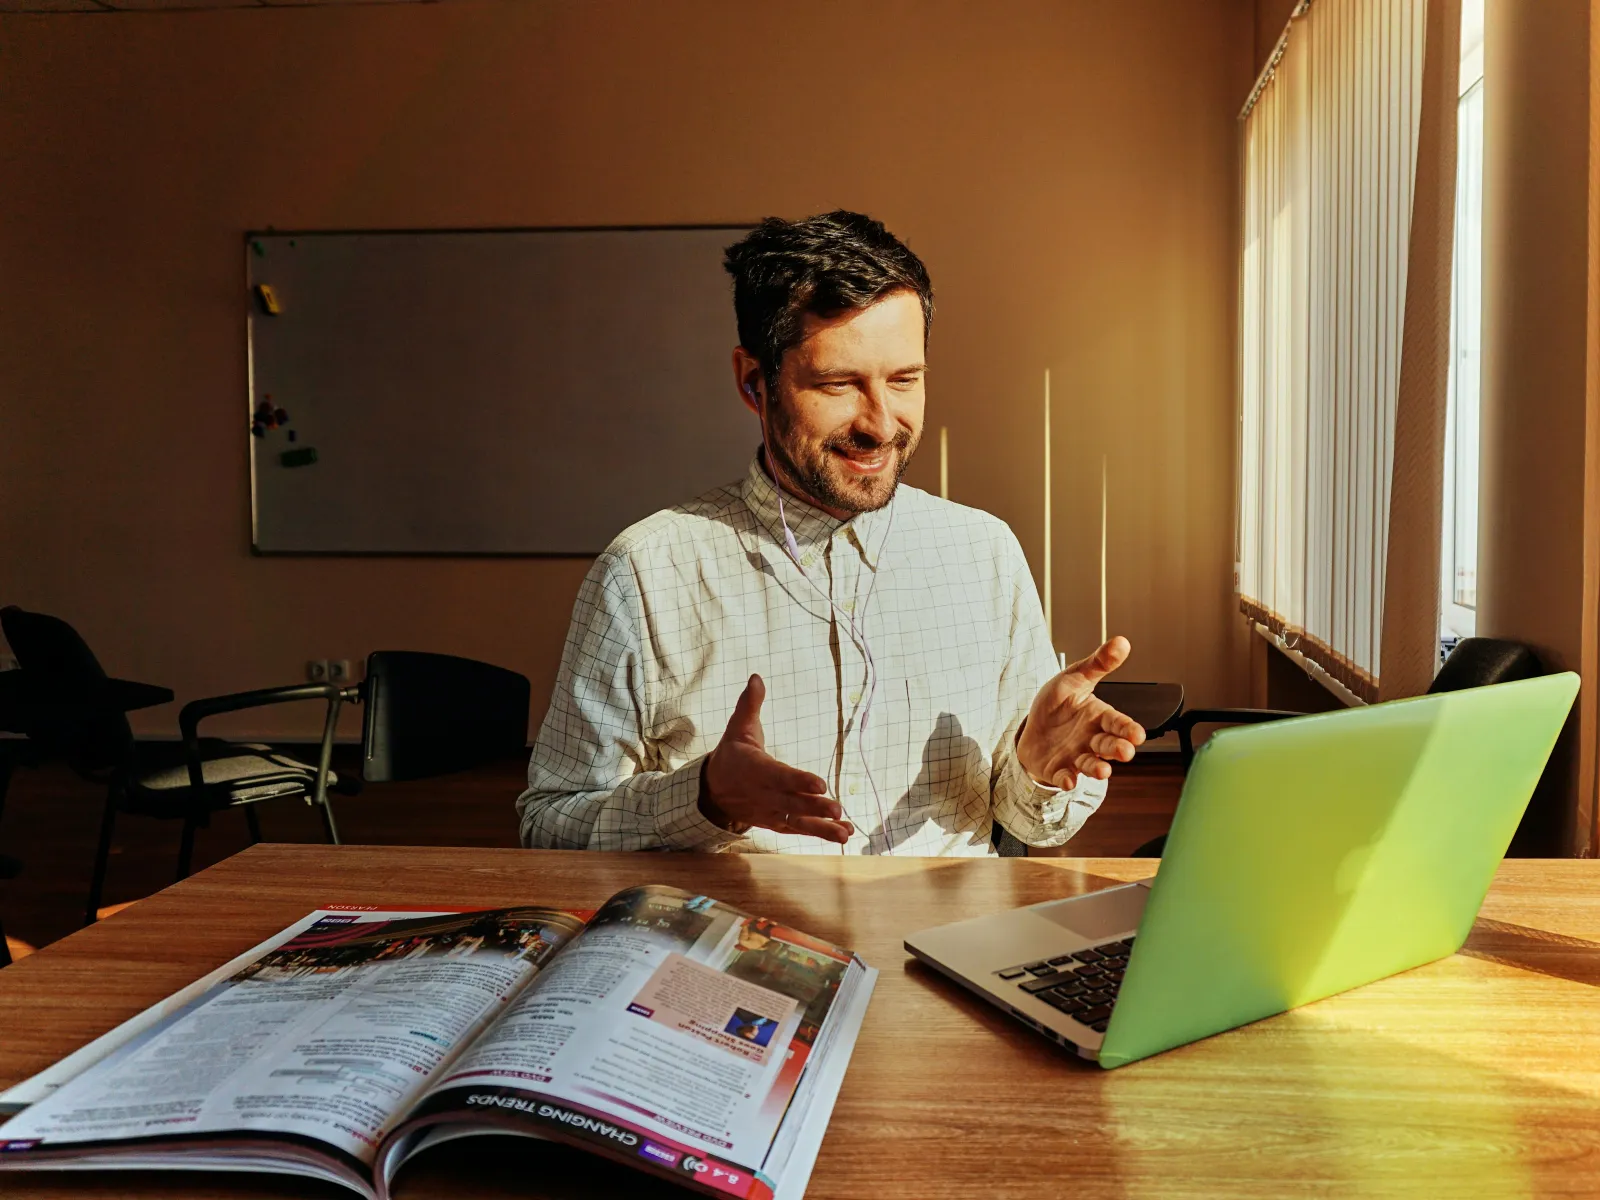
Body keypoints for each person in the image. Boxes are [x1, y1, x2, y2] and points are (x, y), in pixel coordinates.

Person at [518, 211, 1144, 855]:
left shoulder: (985, 554)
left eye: (905, 379)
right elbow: (548, 824)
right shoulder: (646, 573)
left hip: (944, 943)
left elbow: (1029, 823)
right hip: (736, 945)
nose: (880, 423)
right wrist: (704, 800)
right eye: (838, 383)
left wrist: (1036, 772)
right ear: (755, 382)